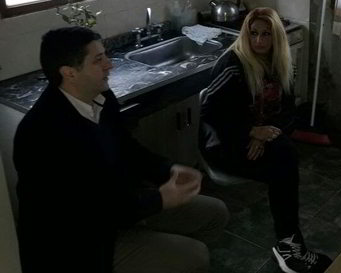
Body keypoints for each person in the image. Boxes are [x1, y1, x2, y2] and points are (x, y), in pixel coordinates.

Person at [13, 27, 229, 273]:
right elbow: (85, 211)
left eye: (105, 55)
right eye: (98, 60)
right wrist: (159, 199)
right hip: (79, 243)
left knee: (216, 214)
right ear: (69, 72)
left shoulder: (100, 96)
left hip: (125, 206)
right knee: (195, 256)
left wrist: (168, 169)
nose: (110, 65)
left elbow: (128, 148)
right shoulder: (40, 134)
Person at [201, 7, 331, 273]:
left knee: (284, 158)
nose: (259, 40)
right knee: (284, 165)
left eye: (266, 34)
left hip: (254, 137)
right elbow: (210, 112)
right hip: (224, 143)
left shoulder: (280, 64)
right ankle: (289, 248)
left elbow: (288, 113)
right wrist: (250, 131)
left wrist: (263, 134)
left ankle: (288, 245)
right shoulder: (233, 65)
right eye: (253, 33)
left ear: (276, 38)